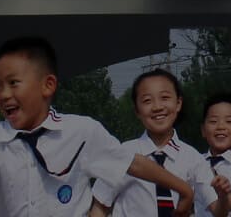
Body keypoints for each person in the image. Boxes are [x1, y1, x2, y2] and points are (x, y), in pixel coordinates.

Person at [0, 37, 199, 217]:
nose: (4, 94)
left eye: (13, 83)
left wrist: (183, 190)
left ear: (47, 85)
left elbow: (133, 164)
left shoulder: (82, 132)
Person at [89, 70, 220, 217]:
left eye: (165, 98)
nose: (157, 107)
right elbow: (99, 207)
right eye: (147, 101)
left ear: (178, 103)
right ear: (137, 111)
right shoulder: (123, 153)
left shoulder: (193, 158)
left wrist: (224, 194)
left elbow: (217, 208)